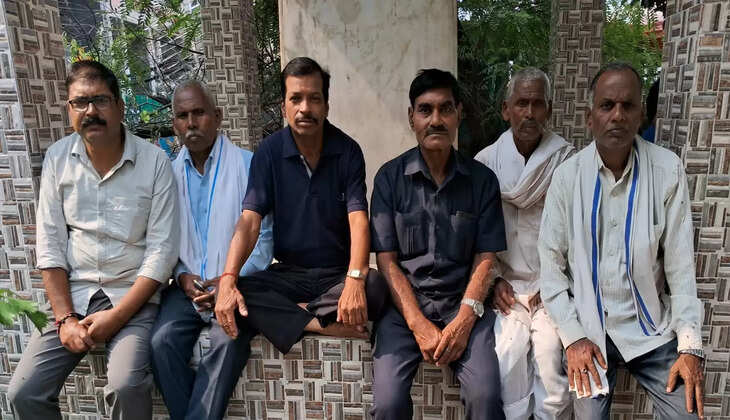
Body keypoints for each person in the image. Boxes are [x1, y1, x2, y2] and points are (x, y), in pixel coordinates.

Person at [7, 60, 179, 420]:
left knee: (125, 385)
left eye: (100, 100)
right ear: (69, 109)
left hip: (132, 299)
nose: (90, 111)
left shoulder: (154, 162)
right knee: (24, 392)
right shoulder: (58, 159)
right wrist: (66, 318)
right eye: (80, 102)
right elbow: (50, 246)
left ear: (119, 106)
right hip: (76, 297)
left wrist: (116, 317)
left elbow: (162, 253)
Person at [539, 62, 705, 419]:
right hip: (589, 331)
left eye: (627, 106)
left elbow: (681, 268)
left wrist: (690, 347)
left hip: (651, 331)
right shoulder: (567, 178)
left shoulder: (666, 170)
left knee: (688, 414)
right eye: (607, 105)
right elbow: (550, 272)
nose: (617, 115)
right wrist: (574, 337)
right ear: (590, 118)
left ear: (641, 115)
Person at [214, 57, 388, 355]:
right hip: (289, 274)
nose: (305, 108)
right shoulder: (269, 153)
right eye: (296, 99)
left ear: (326, 106)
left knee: (375, 287)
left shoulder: (347, 151)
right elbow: (250, 221)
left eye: (314, 99)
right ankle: (318, 322)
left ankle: (292, 313)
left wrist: (354, 279)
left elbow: (359, 220)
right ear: (283, 106)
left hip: (336, 274)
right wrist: (228, 278)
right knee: (235, 291)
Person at [369, 68, 506, 419]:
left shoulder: (482, 181)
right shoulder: (389, 179)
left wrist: (464, 319)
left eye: (445, 109)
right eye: (425, 110)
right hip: (404, 311)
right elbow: (386, 261)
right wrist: (417, 323)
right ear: (411, 117)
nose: (436, 120)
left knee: (487, 397)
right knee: (387, 404)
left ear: (458, 114)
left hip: (463, 305)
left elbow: (486, 257)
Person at [149, 80, 274, 420]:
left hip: (239, 285)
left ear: (217, 116)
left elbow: (263, 241)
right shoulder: (167, 175)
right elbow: (163, 239)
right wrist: (181, 275)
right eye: (182, 116)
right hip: (188, 288)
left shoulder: (249, 165)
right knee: (161, 342)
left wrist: (229, 281)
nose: (191, 123)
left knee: (226, 341)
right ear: (174, 123)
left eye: (199, 113)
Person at [474, 67, 574, 420]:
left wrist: (556, 283)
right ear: (506, 109)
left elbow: (576, 235)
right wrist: (493, 282)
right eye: (521, 104)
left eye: (537, 104)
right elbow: (476, 238)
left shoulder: (567, 162)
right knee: (507, 354)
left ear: (549, 110)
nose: (529, 113)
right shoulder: (484, 164)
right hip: (504, 287)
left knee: (550, 357)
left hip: (552, 287)